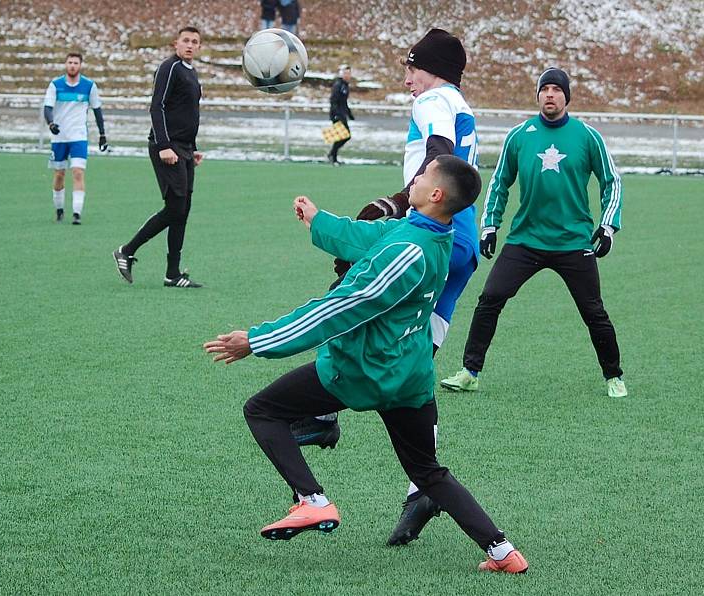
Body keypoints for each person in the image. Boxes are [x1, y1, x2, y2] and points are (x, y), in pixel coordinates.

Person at [204, 155, 528, 575]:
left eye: (423, 174)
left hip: (365, 371)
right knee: (427, 471)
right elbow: (366, 237)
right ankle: (503, 552)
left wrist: (258, 340)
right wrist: (319, 221)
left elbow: (342, 306)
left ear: (435, 193)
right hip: (409, 375)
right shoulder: (429, 232)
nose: (413, 178)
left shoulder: (408, 250)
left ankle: (311, 501)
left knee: (262, 410)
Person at [291, 28, 481, 546]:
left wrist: (396, 204)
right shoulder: (459, 100)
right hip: (460, 245)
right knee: (414, 366)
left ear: (432, 68)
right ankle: (421, 488)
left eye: (412, 68)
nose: (406, 79)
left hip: (430, 234)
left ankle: (324, 413)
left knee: (355, 301)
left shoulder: (434, 100)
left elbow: (439, 154)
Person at [440, 67, 628, 400]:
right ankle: (470, 372)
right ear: (538, 95)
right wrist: (491, 226)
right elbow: (499, 183)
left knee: (593, 312)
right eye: (545, 89)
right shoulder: (519, 135)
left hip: (573, 242)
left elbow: (611, 182)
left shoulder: (587, 136)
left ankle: (613, 376)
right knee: (490, 299)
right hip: (526, 240)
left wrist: (608, 225)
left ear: (566, 97)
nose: (550, 94)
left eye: (557, 89)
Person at [112, 27, 204, 288]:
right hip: (166, 146)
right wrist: (164, 145)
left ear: (199, 47)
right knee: (175, 207)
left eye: (195, 42)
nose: (190, 45)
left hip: (184, 147)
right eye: (185, 40)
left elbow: (188, 113)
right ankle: (127, 250)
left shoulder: (191, 72)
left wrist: (192, 147)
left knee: (183, 209)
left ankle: (172, 274)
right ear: (176, 43)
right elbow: (157, 106)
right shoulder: (169, 67)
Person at [43, 52, 107, 225]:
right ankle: (59, 209)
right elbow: (47, 108)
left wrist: (102, 134)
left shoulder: (89, 86)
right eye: (70, 62)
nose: (72, 65)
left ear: (80, 65)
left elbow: (97, 110)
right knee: (59, 175)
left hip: (79, 137)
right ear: (66, 65)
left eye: (75, 63)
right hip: (59, 137)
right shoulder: (55, 85)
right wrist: (51, 124)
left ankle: (77, 213)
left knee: (78, 172)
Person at [326, 65, 353, 166]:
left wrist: (349, 114)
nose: (348, 75)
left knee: (344, 136)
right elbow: (333, 100)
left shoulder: (345, 85)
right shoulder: (338, 85)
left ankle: (332, 155)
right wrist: (335, 114)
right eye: (346, 73)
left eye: (349, 73)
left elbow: (344, 102)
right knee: (343, 136)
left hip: (342, 114)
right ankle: (333, 155)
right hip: (337, 115)